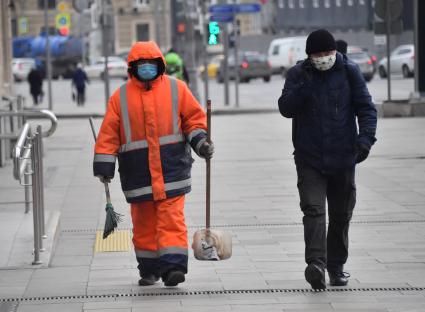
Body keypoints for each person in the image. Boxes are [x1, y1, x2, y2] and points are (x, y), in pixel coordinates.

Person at [93, 41, 214, 287]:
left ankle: (173, 268)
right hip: (139, 176)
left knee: (171, 219)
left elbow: (193, 121)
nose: (146, 68)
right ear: (132, 67)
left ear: (160, 64)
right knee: (144, 225)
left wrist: (201, 142)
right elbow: (108, 134)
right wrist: (104, 164)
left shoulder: (177, 89)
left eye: (151, 64)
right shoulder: (121, 97)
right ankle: (148, 269)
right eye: (141, 64)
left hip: (171, 171)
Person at [278, 29, 377, 289]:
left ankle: (336, 266)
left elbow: (366, 108)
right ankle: (316, 265)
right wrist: (305, 87)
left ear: (336, 52)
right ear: (309, 56)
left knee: (341, 214)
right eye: (318, 54)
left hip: (344, 157)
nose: (324, 58)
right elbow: (285, 108)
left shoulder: (349, 71)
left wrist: (365, 140)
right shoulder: (298, 74)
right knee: (313, 210)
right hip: (309, 158)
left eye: (328, 53)